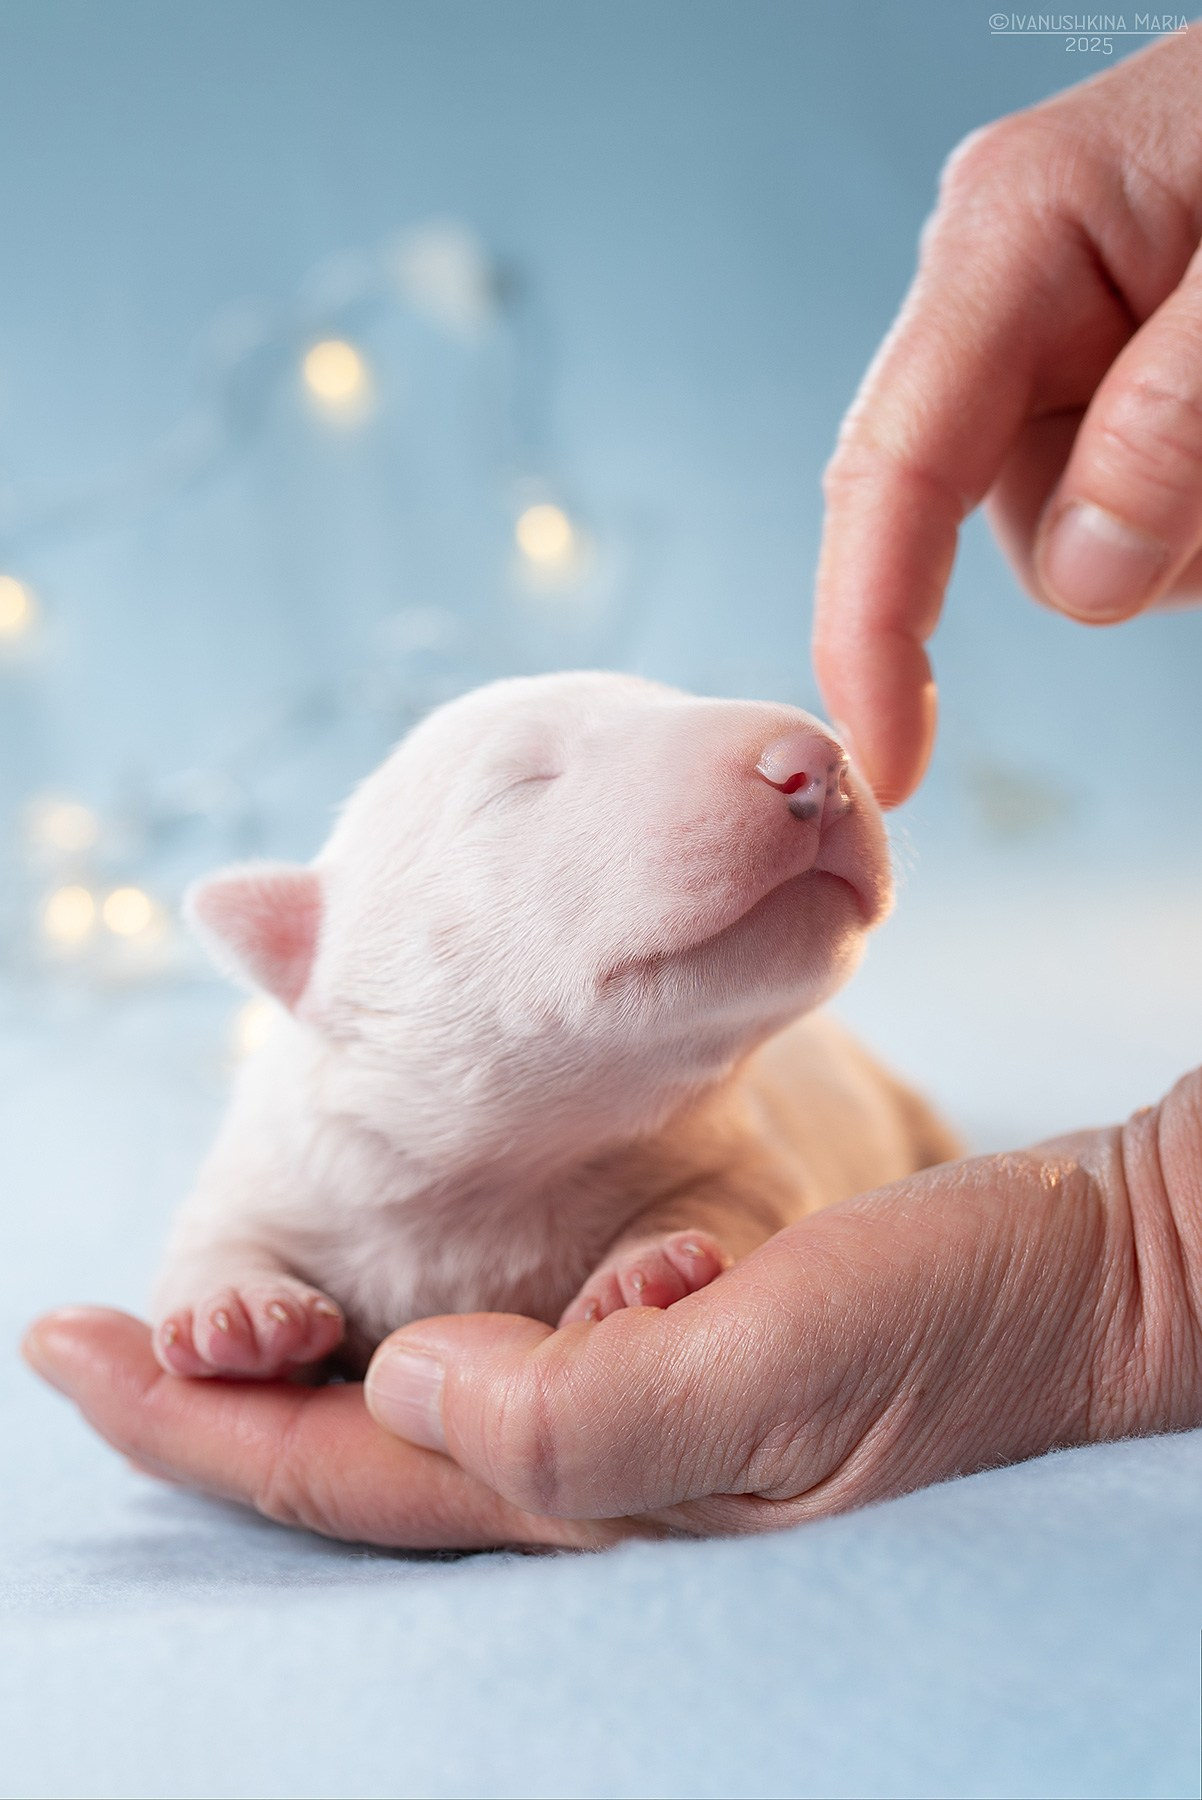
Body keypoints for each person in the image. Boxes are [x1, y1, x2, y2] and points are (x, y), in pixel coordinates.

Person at [23, 28, 1202, 1549]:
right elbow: (218, 1247)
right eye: (527, 786)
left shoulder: (690, 1124)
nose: (800, 766)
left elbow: (732, 1199)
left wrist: (1126, 1255)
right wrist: (226, 1301)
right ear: (313, 964)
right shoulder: (288, 1145)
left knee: (883, 1119)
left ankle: (914, 1120)